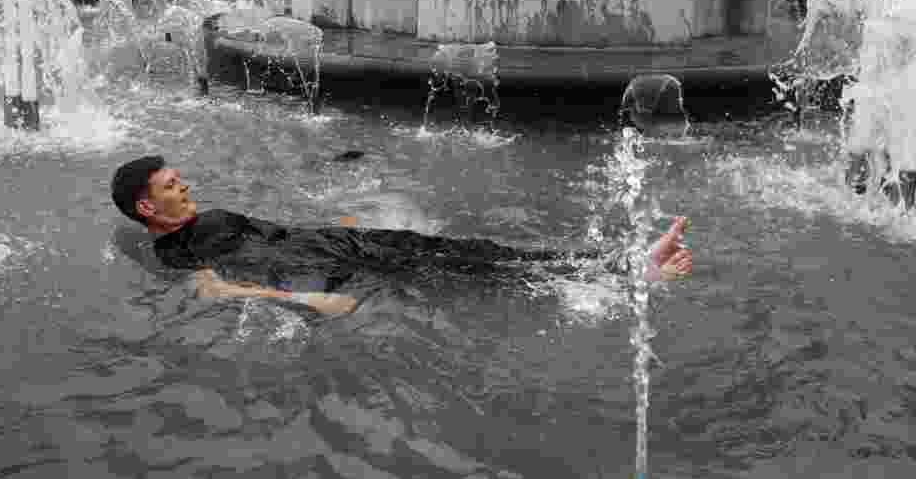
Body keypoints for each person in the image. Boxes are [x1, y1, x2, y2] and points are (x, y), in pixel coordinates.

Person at [111, 156, 693, 316]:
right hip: (331, 273)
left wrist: (348, 220)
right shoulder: (172, 250)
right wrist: (310, 300)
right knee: (465, 276)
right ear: (146, 206)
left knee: (473, 253)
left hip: (345, 244)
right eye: (169, 185)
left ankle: (618, 263)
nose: (183, 184)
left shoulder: (208, 216)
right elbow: (217, 292)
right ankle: (634, 280)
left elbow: (279, 229)